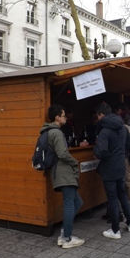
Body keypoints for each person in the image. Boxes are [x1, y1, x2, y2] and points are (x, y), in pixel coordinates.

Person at [43, 105, 84, 249]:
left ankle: (64, 233)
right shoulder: (56, 132)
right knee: (70, 204)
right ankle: (67, 238)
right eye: (63, 115)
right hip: (63, 172)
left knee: (77, 202)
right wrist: (75, 161)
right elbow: (62, 154)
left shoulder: (48, 131)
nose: (66, 117)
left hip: (59, 172)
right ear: (57, 118)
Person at [93, 102, 130, 239]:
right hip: (121, 165)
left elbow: (102, 151)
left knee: (112, 198)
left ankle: (115, 230)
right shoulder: (122, 127)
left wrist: (96, 150)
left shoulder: (104, 131)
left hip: (109, 168)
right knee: (122, 195)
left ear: (101, 115)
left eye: (97, 116)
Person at [114, 102, 130, 213]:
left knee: (129, 180)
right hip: (127, 153)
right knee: (127, 180)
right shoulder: (128, 120)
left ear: (119, 110)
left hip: (127, 154)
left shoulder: (128, 122)